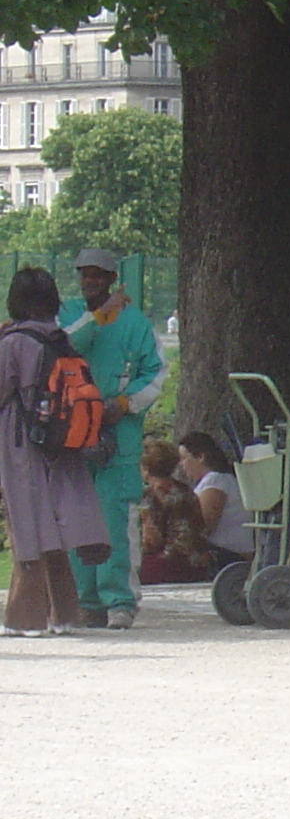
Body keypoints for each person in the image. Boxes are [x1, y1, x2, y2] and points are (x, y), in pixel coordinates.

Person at [1, 268, 110, 636]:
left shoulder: (13, 342)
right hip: (63, 445)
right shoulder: (61, 339)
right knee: (57, 529)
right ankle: (64, 613)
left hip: (21, 443)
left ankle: (24, 618)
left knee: (27, 527)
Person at [59, 249, 164, 628]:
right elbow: (66, 345)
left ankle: (118, 600)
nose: (91, 281)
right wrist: (100, 316)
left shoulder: (136, 324)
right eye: (85, 274)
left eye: (98, 275)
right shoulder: (68, 314)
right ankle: (84, 600)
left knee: (115, 520)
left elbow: (155, 375)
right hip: (73, 432)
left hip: (118, 435)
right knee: (75, 519)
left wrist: (125, 402)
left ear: (110, 277)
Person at [174, 432, 256, 573]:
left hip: (228, 557)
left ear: (200, 457)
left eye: (183, 459)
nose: (181, 465)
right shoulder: (213, 481)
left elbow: (203, 527)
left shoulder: (216, 481)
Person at [136, 438, 210, 583]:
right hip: (164, 557)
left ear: (146, 468)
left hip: (184, 564)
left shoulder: (179, 497)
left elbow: (181, 548)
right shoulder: (148, 495)